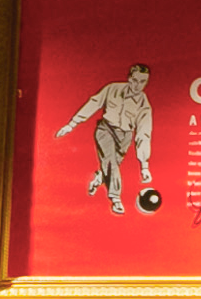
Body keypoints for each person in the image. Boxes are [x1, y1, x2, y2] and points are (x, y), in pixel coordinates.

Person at [56, 60, 155, 211]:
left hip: (125, 137)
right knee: (110, 162)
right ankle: (116, 198)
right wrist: (72, 124)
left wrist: (144, 166)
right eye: (135, 80)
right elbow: (94, 103)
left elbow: (144, 133)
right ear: (129, 78)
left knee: (110, 166)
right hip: (105, 129)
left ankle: (98, 178)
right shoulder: (112, 89)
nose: (138, 86)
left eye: (143, 82)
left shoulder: (144, 105)